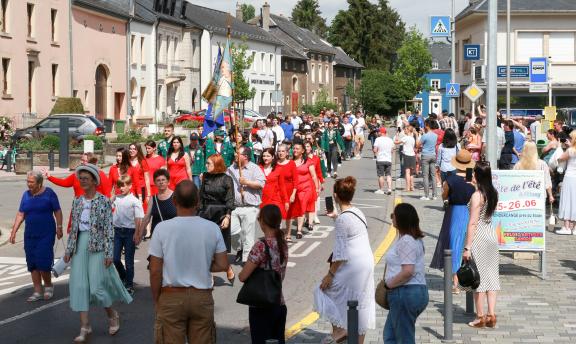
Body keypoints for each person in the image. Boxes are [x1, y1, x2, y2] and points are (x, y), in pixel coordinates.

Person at [149, 181, 229, 344]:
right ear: (198, 202)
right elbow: (222, 264)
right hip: (201, 297)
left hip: (171, 296)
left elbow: (155, 270)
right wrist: (202, 263)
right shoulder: (212, 228)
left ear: (174, 201)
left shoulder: (161, 229)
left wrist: (157, 299)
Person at [64, 164, 132, 343]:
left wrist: (109, 252)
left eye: (86, 178)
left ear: (94, 181)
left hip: (98, 246)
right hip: (80, 245)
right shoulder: (77, 201)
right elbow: (74, 229)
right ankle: (84, 326)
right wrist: (68, 250)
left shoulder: (103, 201)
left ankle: (112, 315)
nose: (82, 181)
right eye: (81, 178)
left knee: (96, 287)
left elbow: (110, 229)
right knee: (79, 286)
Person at [314, 177, 375, 344]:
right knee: (361, 303)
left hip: (352, 264)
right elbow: (351, 230)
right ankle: (354, 338)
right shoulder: (357, 212)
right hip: (366, 263)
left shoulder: (343, 219)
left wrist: (330, 275)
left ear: (335, 196)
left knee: (323, 290)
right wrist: (335, 217)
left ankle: (341, 330)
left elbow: (340, 253)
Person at [9, 171, 63, 301]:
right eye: (27, 181)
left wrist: (59, 227)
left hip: (46, 233)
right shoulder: (26, 195)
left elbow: (57, 211)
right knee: (32, 262)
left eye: (31, 182)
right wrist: (14, 231)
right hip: (30, 234)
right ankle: (37, 291)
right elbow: (21, 214)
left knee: (43, 262)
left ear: (39, 183)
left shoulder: (49, 193)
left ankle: (49, 286)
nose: (28, 184)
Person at [239, 205, 289, 344]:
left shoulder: (260, 246)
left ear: (263, 222)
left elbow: (243, 276)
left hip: (261, 306)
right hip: (279, 302)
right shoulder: (283, 243)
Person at [430, 150, 476, 291]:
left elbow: (444, 195)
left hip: (454, 212)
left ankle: (455, 283)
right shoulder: (472, 179)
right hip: (469, 211)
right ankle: (466, 277)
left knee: (454, 244)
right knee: (464, 243)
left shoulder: (450, 179)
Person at [383, 203, 428, 343]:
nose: (392, 219)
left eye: (393, 216)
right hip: (413, 291)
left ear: (401, 219)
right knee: (390, 336)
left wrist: (388, 284)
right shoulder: (414, 239)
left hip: (405, 293)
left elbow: (408, 271)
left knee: (403, 339)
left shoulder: (407, 240)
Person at [462, 161, 500, 328]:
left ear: (477, 175)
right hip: (492, 235)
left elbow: (472, 223)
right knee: (492, 277)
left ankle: (480, 317)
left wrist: (467, 247)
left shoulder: (477, 195)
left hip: (480, 238)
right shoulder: (493, 193)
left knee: (479, 279)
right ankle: (491, 314)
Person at [199, 154, 236, 282]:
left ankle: (227, 268)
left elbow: (230, 199)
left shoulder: (227, 179)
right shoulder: (205, 176)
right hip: (205, 214)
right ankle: (210, 276)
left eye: (209, 163)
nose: (206, 165)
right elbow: (201, 197)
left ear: (217, 165)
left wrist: (227, 216)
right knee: (205, 247)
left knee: (218, 248)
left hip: (220, 214)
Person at [227, 146, 266, 263]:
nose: (235, 154)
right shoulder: (231, 169)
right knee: (233, 231)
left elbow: (261, 184)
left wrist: (247, 182)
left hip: (250, 207)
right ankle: (240, 248)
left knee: (247, 234)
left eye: (238, 153)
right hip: (235, 206)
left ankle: (247, 261)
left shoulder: (255, 168)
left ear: (245, 156)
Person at [111, 175, 144, 295]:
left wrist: (137, 232)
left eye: (124, 185)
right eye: (120, 185)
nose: (121, 188)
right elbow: (109, 206)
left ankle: (129, 285)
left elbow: (138, 217)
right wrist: (113, 196)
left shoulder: (134, 200)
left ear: (130, 186)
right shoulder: (117, 198)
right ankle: (124, 276)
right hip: (118, 231)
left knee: (129, 261)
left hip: (130, 232)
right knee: (115, 258)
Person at [289, 141, 320, 239]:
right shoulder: (290, 162)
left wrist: (317, 188)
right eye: (294, 148)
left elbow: (314, 176)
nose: (295, 150)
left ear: (302, 151)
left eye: (297, 149)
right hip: (294, 190)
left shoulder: (308, 162)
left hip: (306, 188)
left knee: (301, 206)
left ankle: (299, 230)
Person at [140, 169, 177, 240]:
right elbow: (147, 217)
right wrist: (140, 232)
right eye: (158, 180)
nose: (161, 182)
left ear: (168, 182)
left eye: (163, 180)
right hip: (156, 236)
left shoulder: (176, 196)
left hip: (173, 236)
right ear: (155, 183)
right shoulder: (153, 199)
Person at [276, 144, 298, 241]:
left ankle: (288, 233)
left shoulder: (291, 163)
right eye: (279, 151)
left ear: (286, 152)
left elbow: (295, 180)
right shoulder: (275, 164)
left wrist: (293, 194)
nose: (281, 153)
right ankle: (278, 234)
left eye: (282, 151)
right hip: (277, 192)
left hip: (289, 191)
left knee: (289, 214)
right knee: (278, 213)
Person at [555, 131, 576, 235]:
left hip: (570, 177)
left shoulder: (571, 150)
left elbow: (560, 159)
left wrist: (564, 147)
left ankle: (566, 227)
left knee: (567, 200)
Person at [418, 119, 438, 200]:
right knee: (433, 175)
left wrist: (419, 134)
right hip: (433, 155)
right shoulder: (435, 135)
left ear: (427, 126)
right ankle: (434, 195)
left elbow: (418, 145)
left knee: (425, 176)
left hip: (425, 155)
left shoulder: (425, 135)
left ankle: (426, 195)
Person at [128, 142, 152, 210]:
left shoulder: (142, 161)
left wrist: (149, 194)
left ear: (138, 150)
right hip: (129, 188)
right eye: (130, 149)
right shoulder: (127, 161)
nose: (131, 150)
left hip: (141, 189)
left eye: (134, 149)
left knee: (138, 209)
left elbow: (147, 178)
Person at [395, 126, 416, 192]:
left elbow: (396, 142)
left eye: (405, 129)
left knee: (407, 172)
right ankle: (412, 187)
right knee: (411, 173)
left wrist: (397, 136)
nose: (404, 130)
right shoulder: (412, 138)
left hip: (406, 155)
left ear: (408, 130)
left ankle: (407, 187)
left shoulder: (405, 138)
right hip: (412, 155)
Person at [373, 127, 394, 195]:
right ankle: (389, 189)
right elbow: (392, 150)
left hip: (380, 159)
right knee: (388, 175)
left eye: (378, 132)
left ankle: (381, 189)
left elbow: (375, 150)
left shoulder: (378, 139)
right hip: (388, 159)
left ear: (381, 132)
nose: (377, 133)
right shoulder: (390, 140)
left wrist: (376, 154)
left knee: (381, 175)